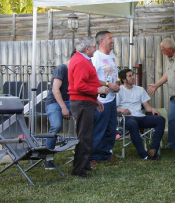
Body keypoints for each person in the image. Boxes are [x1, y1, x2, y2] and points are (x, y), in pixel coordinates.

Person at [68, 36, 108, 178]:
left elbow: (84, 83)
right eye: (93, 47)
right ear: (87, 49)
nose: (95, 49)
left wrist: (94, 100)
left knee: (86, 135)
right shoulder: (81, 62)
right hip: (82, 103)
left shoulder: (81, 59)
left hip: (85, 101)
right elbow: (79, 85)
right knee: (84, 136)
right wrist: (98, 91)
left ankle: (84, 164)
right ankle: (79, 169)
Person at [117, 69, 165, 160]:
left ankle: (153, 149)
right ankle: (143, 155)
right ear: (124, 79)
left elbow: (147, 107)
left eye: (133, 75)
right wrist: (122, 110)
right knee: (132, 123)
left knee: (160, 119)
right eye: (130, 76)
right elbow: (114, 109)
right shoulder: (119, 90)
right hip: (127, 118)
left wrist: (152, 109)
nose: (133, 77)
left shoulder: (140, 89)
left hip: (140, 117)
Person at [91, 31, 121, 166]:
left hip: (112, 98)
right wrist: (109, 85)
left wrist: (116, 84)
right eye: (110, 38)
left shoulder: (112, 56)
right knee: (99, 128)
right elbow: (92, 78)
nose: (112, 40)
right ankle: (93, 156)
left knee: (111, 128)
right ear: (102, 41)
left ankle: (106, 154)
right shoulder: (96, 57)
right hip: (101, 100)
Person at [44, 51, 75, 170]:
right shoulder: (62, 68)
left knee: (87, 117)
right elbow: (55, 89)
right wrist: (63, 107)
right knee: (56, 126)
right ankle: (48, 158)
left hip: (70, 102)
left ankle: (81, 152)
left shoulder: (76, 70)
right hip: (55, 103)